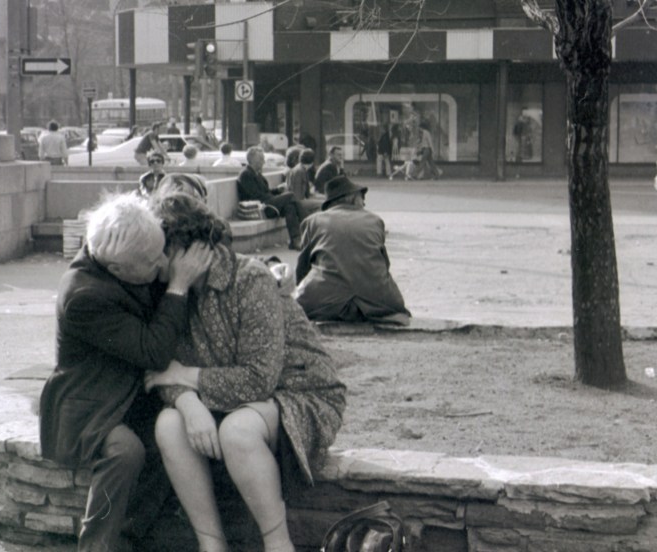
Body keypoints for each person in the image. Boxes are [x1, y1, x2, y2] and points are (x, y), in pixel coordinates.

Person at [144, 193, 346, 552]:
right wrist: (188, 404)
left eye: (162, 249)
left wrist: (186, 377)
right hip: (228, 400)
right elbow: (161, 372)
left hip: (297, 392)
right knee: (168, 425)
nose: (153, 260)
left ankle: (278, 544)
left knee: (237, 432)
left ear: (189, 248)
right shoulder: (171, 291)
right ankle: (212, 545)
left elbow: (258, 380)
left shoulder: (249, 278)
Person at [38, 193, 213, 552]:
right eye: (152, 262)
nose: (163, 264)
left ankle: (129, 540)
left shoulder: (130, 251)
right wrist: (178, 286)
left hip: (132, 389)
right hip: (90, 398)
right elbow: (154, 352)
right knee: (125, 451)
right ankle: (97, 547)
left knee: (173, 441)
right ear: (117, 269)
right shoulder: (84, 295)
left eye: (162, 250)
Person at [294, 175, 411, 324]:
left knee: (295, 306)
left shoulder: (312, 222)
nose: (364, 202)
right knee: (390, 300)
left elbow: (303, 267)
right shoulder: (375, 221)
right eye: (362, 196)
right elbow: (384, 264)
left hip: (325, 296)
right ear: (352, 198)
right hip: (377, 298)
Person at [236, 146, 306, 250]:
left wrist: (277, 190)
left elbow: (265, 191)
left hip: (267, 203)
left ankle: (295, 240)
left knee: (289, 207)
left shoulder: (258, 174)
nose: (264, 162)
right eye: (261, 159)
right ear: (253, 160)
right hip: (260, 207)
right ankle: (307, 225)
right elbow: (255, 196)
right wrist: (277, 198)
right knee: (290, 195)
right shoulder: (245, 174)